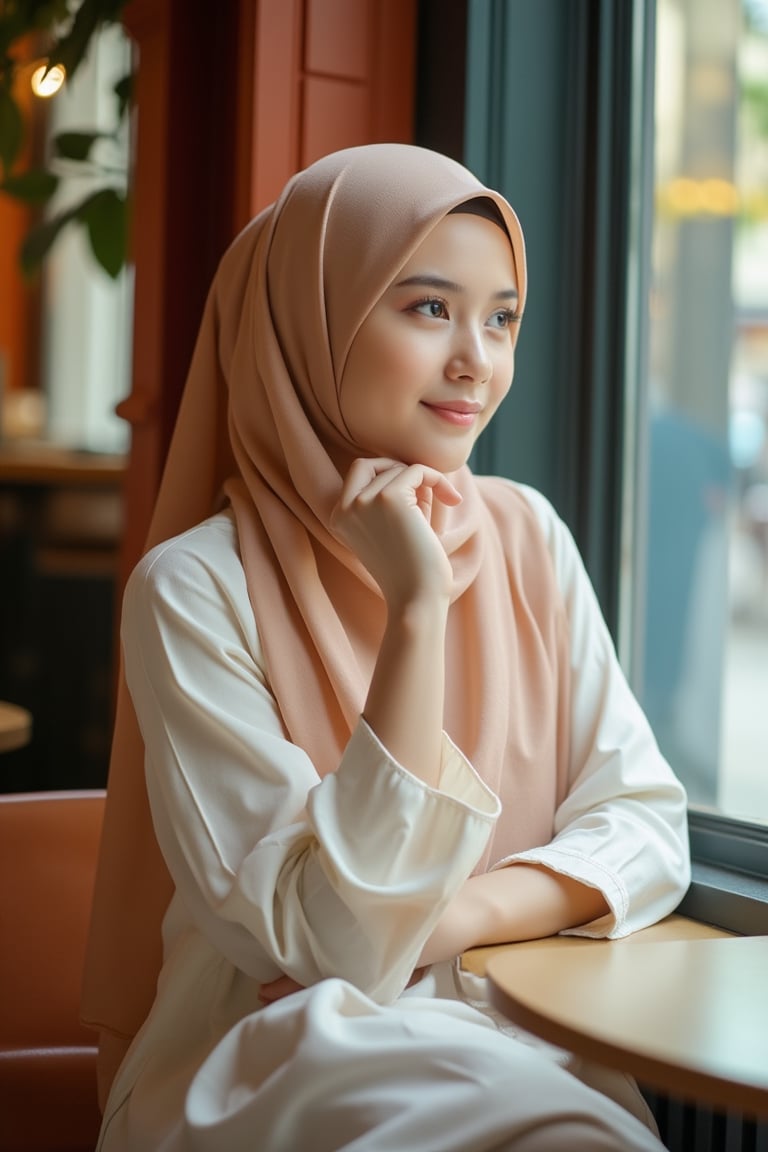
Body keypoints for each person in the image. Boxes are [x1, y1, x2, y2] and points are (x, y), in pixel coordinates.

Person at [83, 143, 690, 1151]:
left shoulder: (527, 534)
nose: (477, 361)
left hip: (519, 1027)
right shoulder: (195, 588)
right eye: (427, 308)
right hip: (270, 1054)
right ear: (311, 323)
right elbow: (334, 945)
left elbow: (643, 826)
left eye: (502, 318)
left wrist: (450, 921)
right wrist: (416, 609)